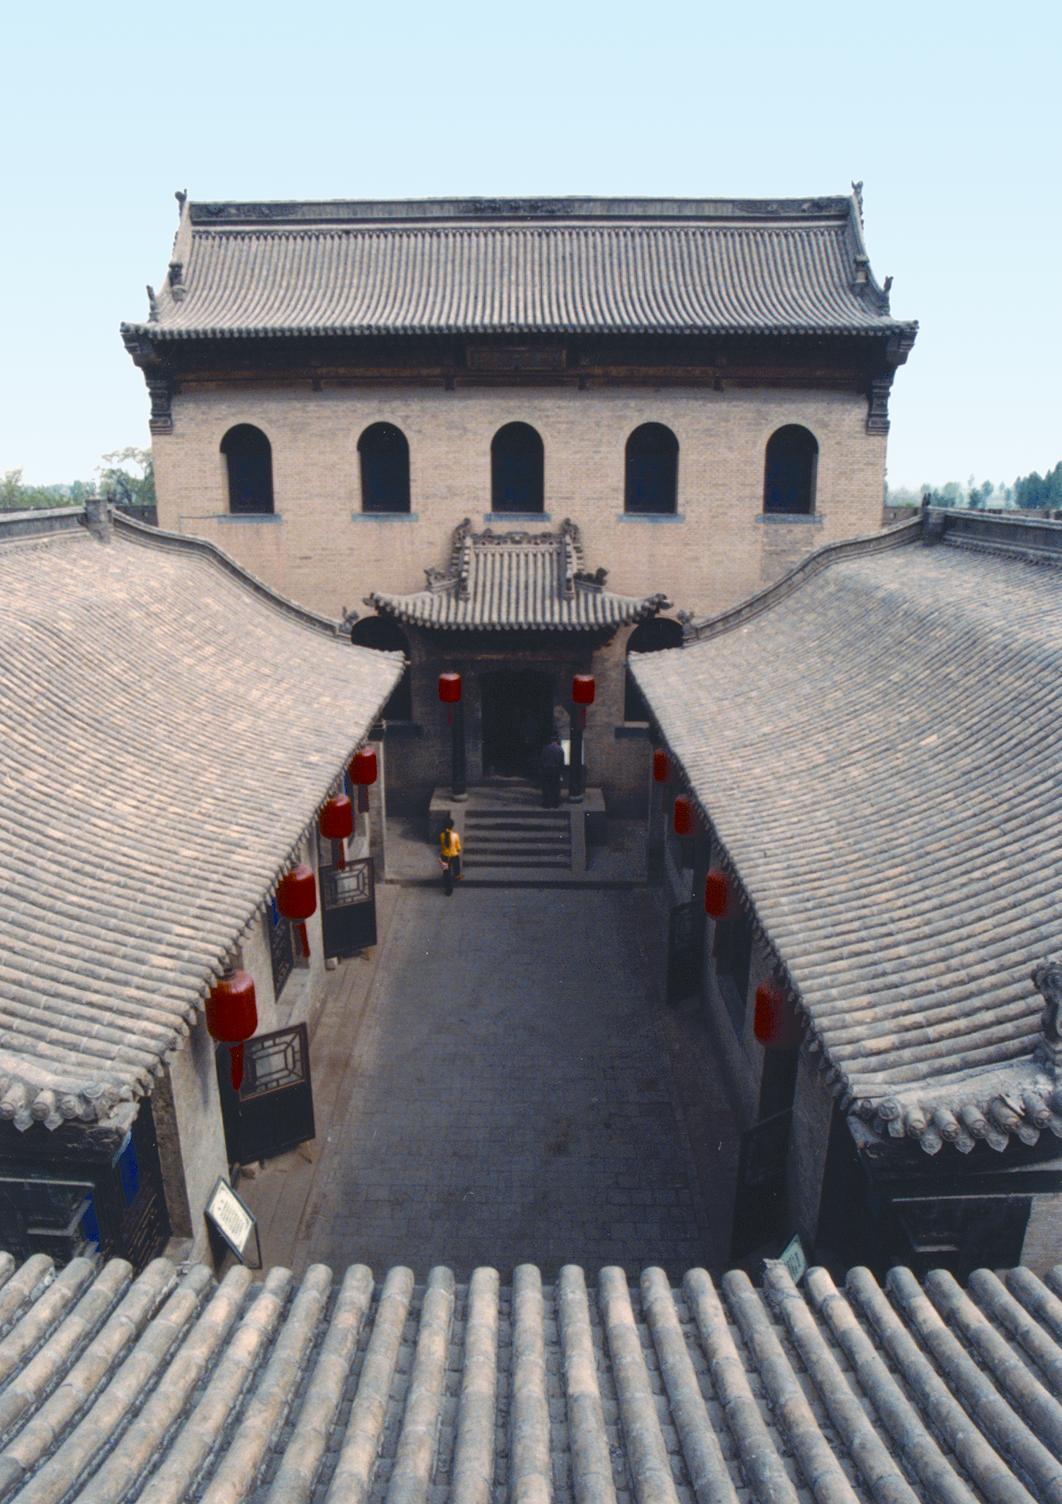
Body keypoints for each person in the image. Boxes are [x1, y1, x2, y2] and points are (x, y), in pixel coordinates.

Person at [438, 817, 462, 895]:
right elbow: (458, 848)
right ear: (452, 826)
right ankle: (457, 875)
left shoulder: (442, 835)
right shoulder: (455, 835)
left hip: (444, 856)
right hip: (454, 856)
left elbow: (442, 846)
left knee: (446, 872)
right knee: (456, 867)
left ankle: (448, 889)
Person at [540, 733, 564, 808]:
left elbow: (542, 759)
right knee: (556, 787)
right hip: (556, 770)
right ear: (557, 740)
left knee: (546, 786)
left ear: (550, 740)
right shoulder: (560, 749)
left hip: (547, 769)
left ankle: (547, 803)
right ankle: (555, 803)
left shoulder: (546, 748)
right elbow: (561, 761)